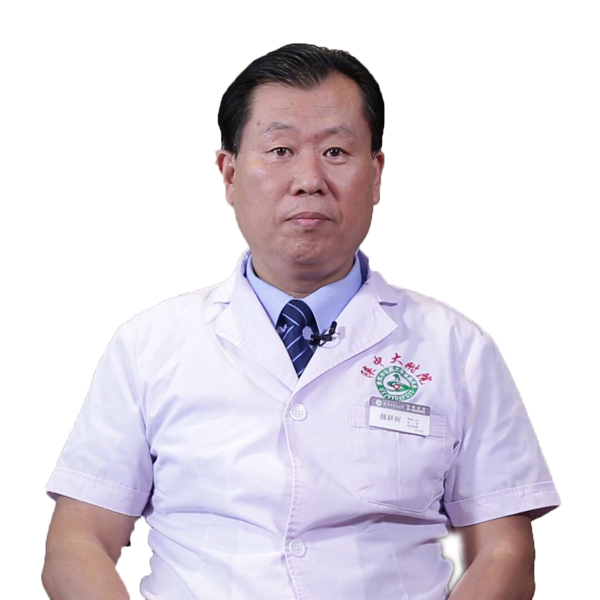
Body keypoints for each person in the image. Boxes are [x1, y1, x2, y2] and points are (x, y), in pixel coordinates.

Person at [42, 43, 561, 600]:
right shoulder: (149, 345)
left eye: (336, 151)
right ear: (229, 173)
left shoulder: (455, 348)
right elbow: (78, 541)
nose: (309, 179)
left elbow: (505, 551)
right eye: (281, 150)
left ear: (376, 174)